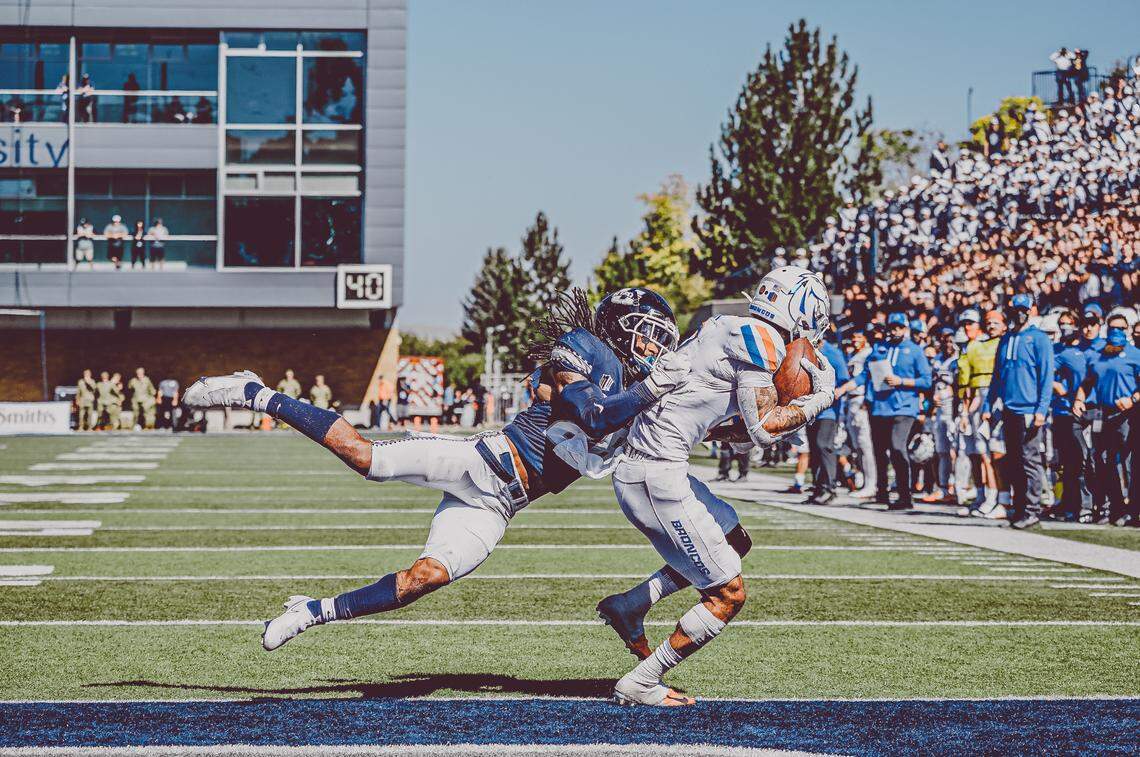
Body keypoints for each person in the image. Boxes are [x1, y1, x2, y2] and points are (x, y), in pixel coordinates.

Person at [181, 287, 689, 660]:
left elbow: (650, 419)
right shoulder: (588, 350)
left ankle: (309, 611)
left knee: (422, 580)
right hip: (479, 460)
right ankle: (254, 393)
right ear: (622, 326)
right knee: (367, 459)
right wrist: (651, 391)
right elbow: (594, 413)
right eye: (650, 337)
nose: (656, 350)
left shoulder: (633, 390)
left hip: (499, 507)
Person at [598, 266, 835, 706]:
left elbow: (727, 429)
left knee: (734, 540)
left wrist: (754, 426)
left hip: (655, 468)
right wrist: (821, 397)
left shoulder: (728, 327)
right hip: (655, 474)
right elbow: (765, 429)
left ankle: (632, 603)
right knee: (728, 595)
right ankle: (642, 681)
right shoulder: (759, 338)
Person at [841, 312, 932, 510]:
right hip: (880, 408)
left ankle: (905, 495)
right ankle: (882, 492)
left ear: (905, 329)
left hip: (904, 407)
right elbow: (864, 375)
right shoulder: (880, 350)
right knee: (879, 451)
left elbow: (926, 380)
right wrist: (843, 388)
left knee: (897, 447)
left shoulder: (915, 351)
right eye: (892, 327)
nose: (895, 330)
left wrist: (903, 382)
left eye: (899, 327)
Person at [981, 295, 1054, 529]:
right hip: (1009, 409)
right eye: (1015, 309)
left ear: (1030, 310)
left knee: (1029, 459)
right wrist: (987, 406)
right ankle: (1019, 506)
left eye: (1023, 309)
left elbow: (1046, 376)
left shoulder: (1039, 339)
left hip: (1029, 408)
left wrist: (1041, 409)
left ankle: (1032, 509)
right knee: (1012, 460)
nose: (1019, 314)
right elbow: (997, 377)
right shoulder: (1007, 339)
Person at [1072, 314, 1140, 525]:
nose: (1116, 331)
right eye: (1112, 327)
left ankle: (1131, 508)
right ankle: (1114, 506)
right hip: (1103, 413)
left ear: (1127, 329)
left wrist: (1132, 399)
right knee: (1103, 460)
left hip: (1127, 415)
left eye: (1120, 328)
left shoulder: (1135, 354)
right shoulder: (1098, 356)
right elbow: (1087, 381)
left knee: (1127, 462)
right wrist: (1078, 399)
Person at [957, 310, 1004, 517]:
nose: (968, 328)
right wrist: (964, 411)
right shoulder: (972, 347)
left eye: (971, 323)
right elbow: (966, 383)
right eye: (965, 324)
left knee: (991, 453)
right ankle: (983, 495)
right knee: (976, 452)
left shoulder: (993, 345)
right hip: (974, 400)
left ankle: (996, 497)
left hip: (991, 399)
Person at [1049, 310, 1092, 521]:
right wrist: (1055, 385)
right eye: (1061, 323)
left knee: (1084, 458)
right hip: (1062, 410)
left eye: (1068, 323)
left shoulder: (1086, 349)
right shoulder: (1057, 350)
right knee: (1064, 461)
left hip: (1084, 409)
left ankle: (1086, 504)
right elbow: (1043, 372)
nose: (1064, 326)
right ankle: (1067, 501)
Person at [805, 328, 849, 505]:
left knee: (824, 446)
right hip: (810, 408)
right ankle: (818, 487)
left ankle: (829, 487)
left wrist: (835, 392)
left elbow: (844, 379)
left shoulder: (833, 353)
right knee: (815, 450)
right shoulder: (806, 351)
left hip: (828, 410)